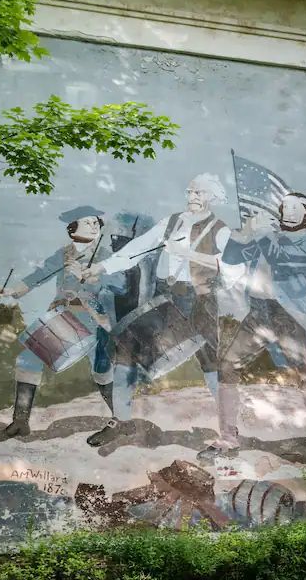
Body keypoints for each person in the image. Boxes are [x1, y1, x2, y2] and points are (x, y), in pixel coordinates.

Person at [82, 174, 231, 448]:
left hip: (200, 302)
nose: (192, 197)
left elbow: (231, 267)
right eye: (189, 191)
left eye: (199, 193)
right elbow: (137, 248)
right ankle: (121, 421)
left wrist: (188, 254)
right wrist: (101, 267)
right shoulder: (172, 222)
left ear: (212, 197)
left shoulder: (220, 229)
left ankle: (230, 433)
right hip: (166, 300)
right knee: (125, 342)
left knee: (211, 364)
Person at [213, 192, 306, 453]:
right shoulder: (271, 237)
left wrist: (263, 235)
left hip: (289, 316)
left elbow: (282, 262)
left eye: (294, 207)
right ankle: (228, 437)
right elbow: (232, 258)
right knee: (227, 365)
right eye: (284, 206)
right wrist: (243, 233)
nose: (287, 211)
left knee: (305, 375)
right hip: (258, 312)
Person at [0, 208, 115, 442]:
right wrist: (11, 290)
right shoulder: (63, 254)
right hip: (63, 317)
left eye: (95, 222)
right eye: (87, 222)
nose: (94, 225)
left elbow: (117, 283)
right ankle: (20, 422)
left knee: (102, 370)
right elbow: (37, 277)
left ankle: (119, 419)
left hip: (96, 319)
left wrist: (89, 276)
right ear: (72, 228)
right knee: (28, 359)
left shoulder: (106, 255)